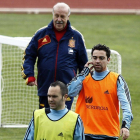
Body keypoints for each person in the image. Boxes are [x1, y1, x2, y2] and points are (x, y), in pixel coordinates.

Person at [21, 2, 88, 109]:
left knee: (64, 122)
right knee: (45, 120)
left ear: (68, 17)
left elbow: (84, 64)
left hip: (68, 90)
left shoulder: (76, 37)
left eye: (62, 16)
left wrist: (84, 85)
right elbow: (29, 55)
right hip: (45, 89)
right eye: (56, 15)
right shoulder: (41, 34)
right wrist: (29, 75)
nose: (59, 19)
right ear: (52, 15)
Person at [67, 44, 133, 140]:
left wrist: (125, 125)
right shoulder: (84, 78)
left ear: (108, 60)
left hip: (108, 134)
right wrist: (82, 75)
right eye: (95, 58)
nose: (97, 61)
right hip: (84, 133)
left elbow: (126, 105)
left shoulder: (116, 79)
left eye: (101, 58)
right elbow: (69, 92)